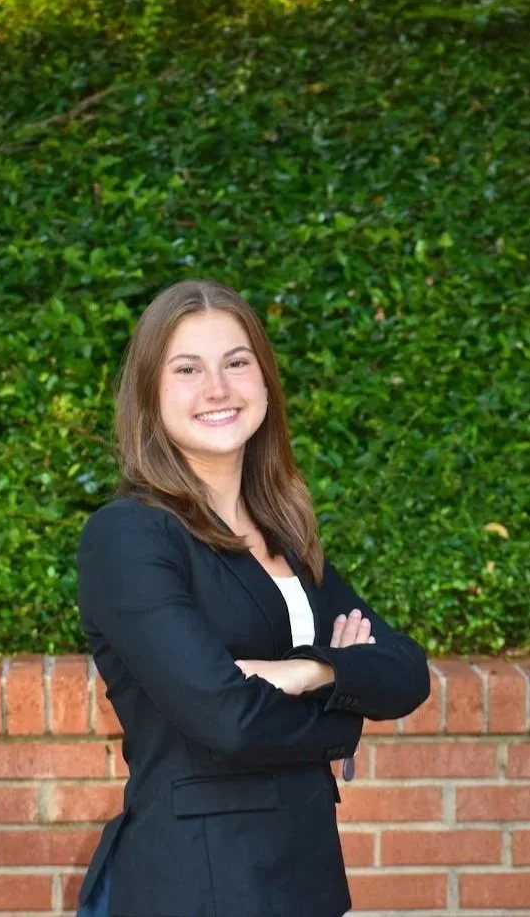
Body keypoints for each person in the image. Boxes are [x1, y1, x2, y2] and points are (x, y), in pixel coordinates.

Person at [76, 279, 430, 917]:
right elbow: (227, 721)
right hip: (201, 884)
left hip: (306, 877)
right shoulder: (129, 535)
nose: (218, 388)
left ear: (264, 381)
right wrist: (347, 711)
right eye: (188, 369)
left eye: (237, 363)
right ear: (151, 395)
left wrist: (307, 669)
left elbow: (406, 672)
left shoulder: (285, 539)